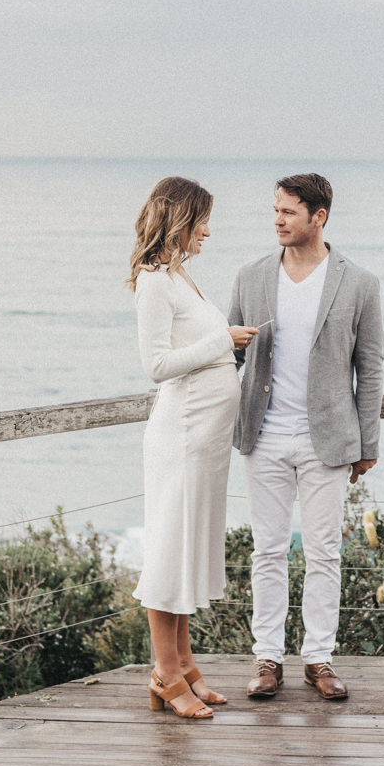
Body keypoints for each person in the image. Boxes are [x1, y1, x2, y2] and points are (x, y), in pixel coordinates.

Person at [228, 173, 384, 701]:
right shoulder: (250, 277)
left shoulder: (358, 282)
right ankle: (267, 658)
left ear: (318, 218)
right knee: (267, 551)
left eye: (288, 212)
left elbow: (371, 367)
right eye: (274, 210)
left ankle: (319, 659)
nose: (277, 220)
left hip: (328, 440)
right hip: (264, 434)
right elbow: (228, 353)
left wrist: (367, 443)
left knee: (323, 553)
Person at [130, 176, 261, 719]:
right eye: (202, 219)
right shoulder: (153, 282)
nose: (209, 231)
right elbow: (156, 365)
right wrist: (223, 341)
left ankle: (184, 665)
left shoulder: (180, 275)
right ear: (180, 219)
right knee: (168, 554)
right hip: (180, 436)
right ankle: (164, 673)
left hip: (205, 442)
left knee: (188, 551)